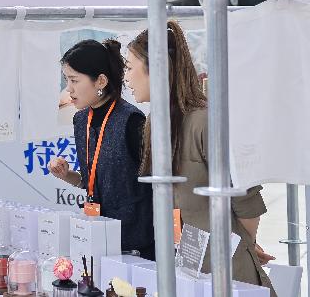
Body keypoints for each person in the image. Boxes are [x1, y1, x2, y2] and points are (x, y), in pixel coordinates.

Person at [125, 21, 276, 294]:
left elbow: (246, 200)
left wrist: (243, 244)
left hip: (227, 271)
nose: (126, 78)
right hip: (188, 264)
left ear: (156, 69)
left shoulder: (205, 121)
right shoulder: (155, 123)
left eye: (129, 67)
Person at [48, 39, 155, 260]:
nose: (69, 89)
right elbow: (92, 182)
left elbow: (152, 185)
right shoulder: (81, 120)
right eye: (67, 80)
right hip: (95, 238)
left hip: (135, 246)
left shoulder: (131, 121)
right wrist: (66, 175)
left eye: (74, 80)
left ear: (101, 81)